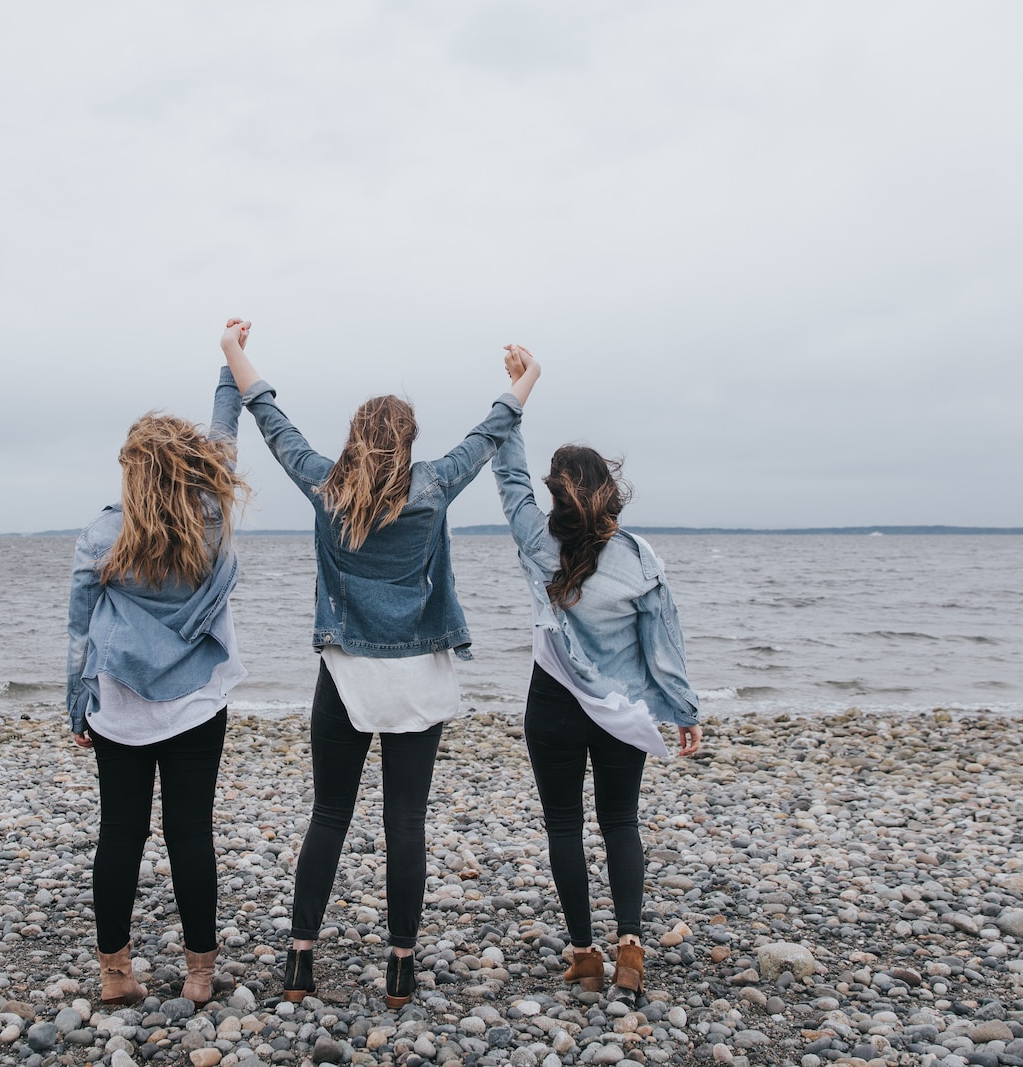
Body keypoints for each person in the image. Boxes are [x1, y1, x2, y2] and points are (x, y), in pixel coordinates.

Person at [220, 322, 539, 1007]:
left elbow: (274, 424)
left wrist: (233, 351)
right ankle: (399, 967)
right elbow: (490, 433)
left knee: (329, 813)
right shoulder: (435, 485)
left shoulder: (326, 486)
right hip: (418, 675)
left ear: (355, 438)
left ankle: (301, 959)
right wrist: (524, 376)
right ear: (410, 440)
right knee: (405, 822)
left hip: (344, 676)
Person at [490, 344, 702, 997]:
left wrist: (521, 390)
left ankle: (584, 955)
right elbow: (663, 640)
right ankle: (631, 950)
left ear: (556, 494)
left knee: (563, 824)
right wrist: (682, 709)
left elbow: (506, 468)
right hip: (621, 707)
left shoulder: (536, 540)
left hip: (551, 705)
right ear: (607, 490)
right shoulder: (639, 556)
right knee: (620, 820)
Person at [64, 319, 253, 1008]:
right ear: (189, 467)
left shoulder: (104, 531)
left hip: (120, 702)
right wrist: (228, 363)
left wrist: (76, 699)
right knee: (190, 832)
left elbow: (79, 626)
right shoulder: (208, 514)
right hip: (197, 697)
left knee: (121, 832)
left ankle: (116, 973)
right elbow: (225, 432)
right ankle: (200, 974)